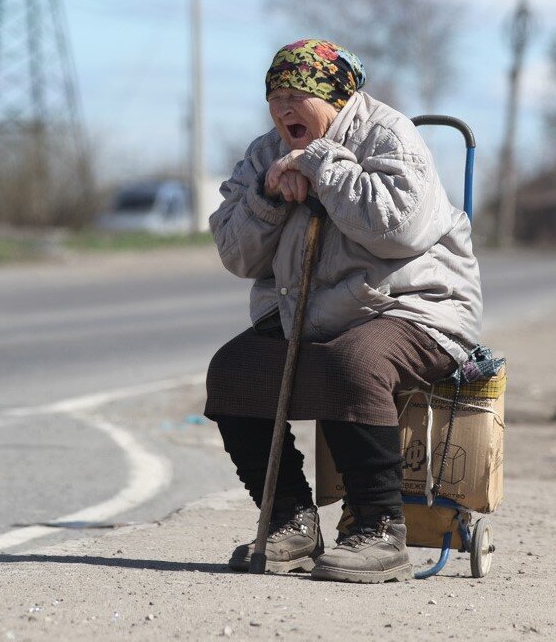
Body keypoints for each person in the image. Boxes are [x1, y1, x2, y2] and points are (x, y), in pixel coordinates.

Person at [204, 39, 482, 583]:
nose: (283, 109)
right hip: (312, 315)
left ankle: (380, 530)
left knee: (353, 363)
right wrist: (267, 196)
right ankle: (290, 521)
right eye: (274, 97)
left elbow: (401, 230)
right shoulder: (265, 153)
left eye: (296, 95)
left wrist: (325, 167)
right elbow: (236, 255)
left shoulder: (389, 135)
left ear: (334, 96)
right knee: (233, 371)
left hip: (417, 308)